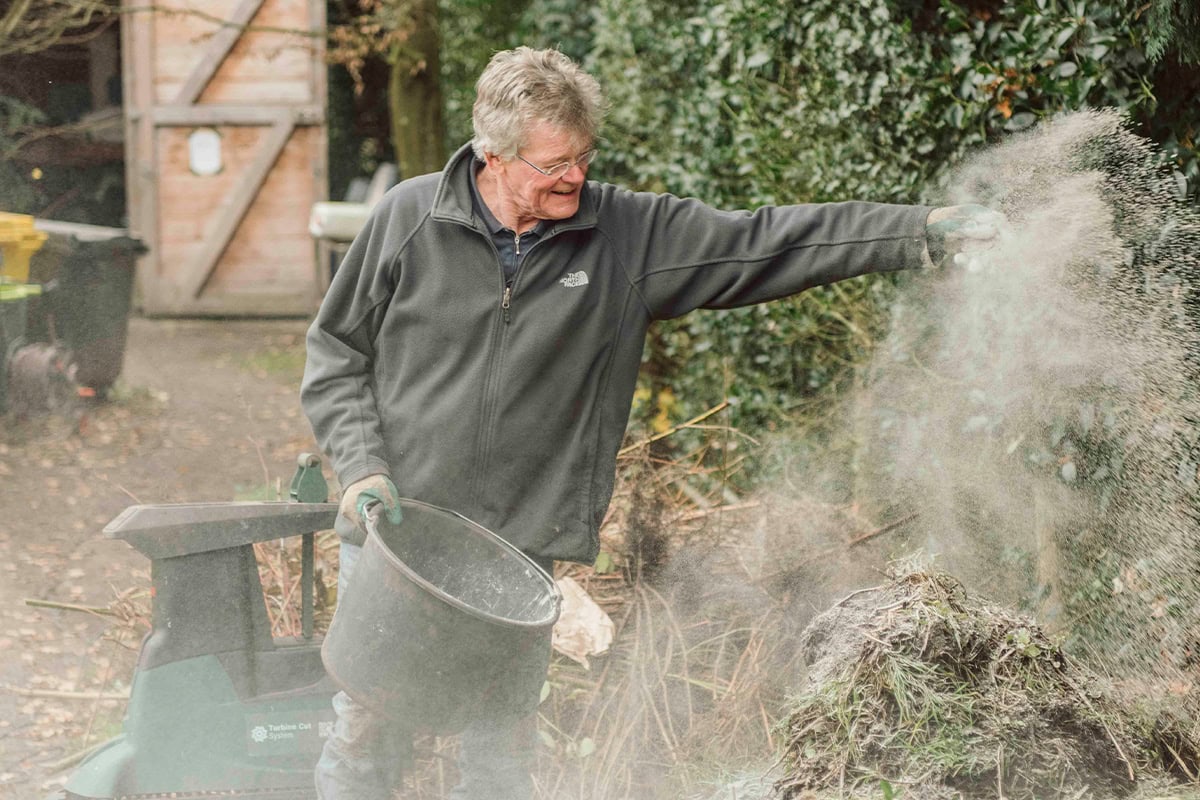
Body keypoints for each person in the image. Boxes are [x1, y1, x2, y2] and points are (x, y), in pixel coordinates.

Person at [300, 46, 1001, 799]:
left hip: (515, 551)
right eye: (552, 163)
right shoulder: (410, 218)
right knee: (368, 734)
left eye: (583, 156)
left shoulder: (624, 237)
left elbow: (767, 238)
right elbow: (336, 350)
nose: (574, 175)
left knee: (497, 757)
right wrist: (362, 464)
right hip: (400, 534)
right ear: (492, 158)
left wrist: (919, 230)